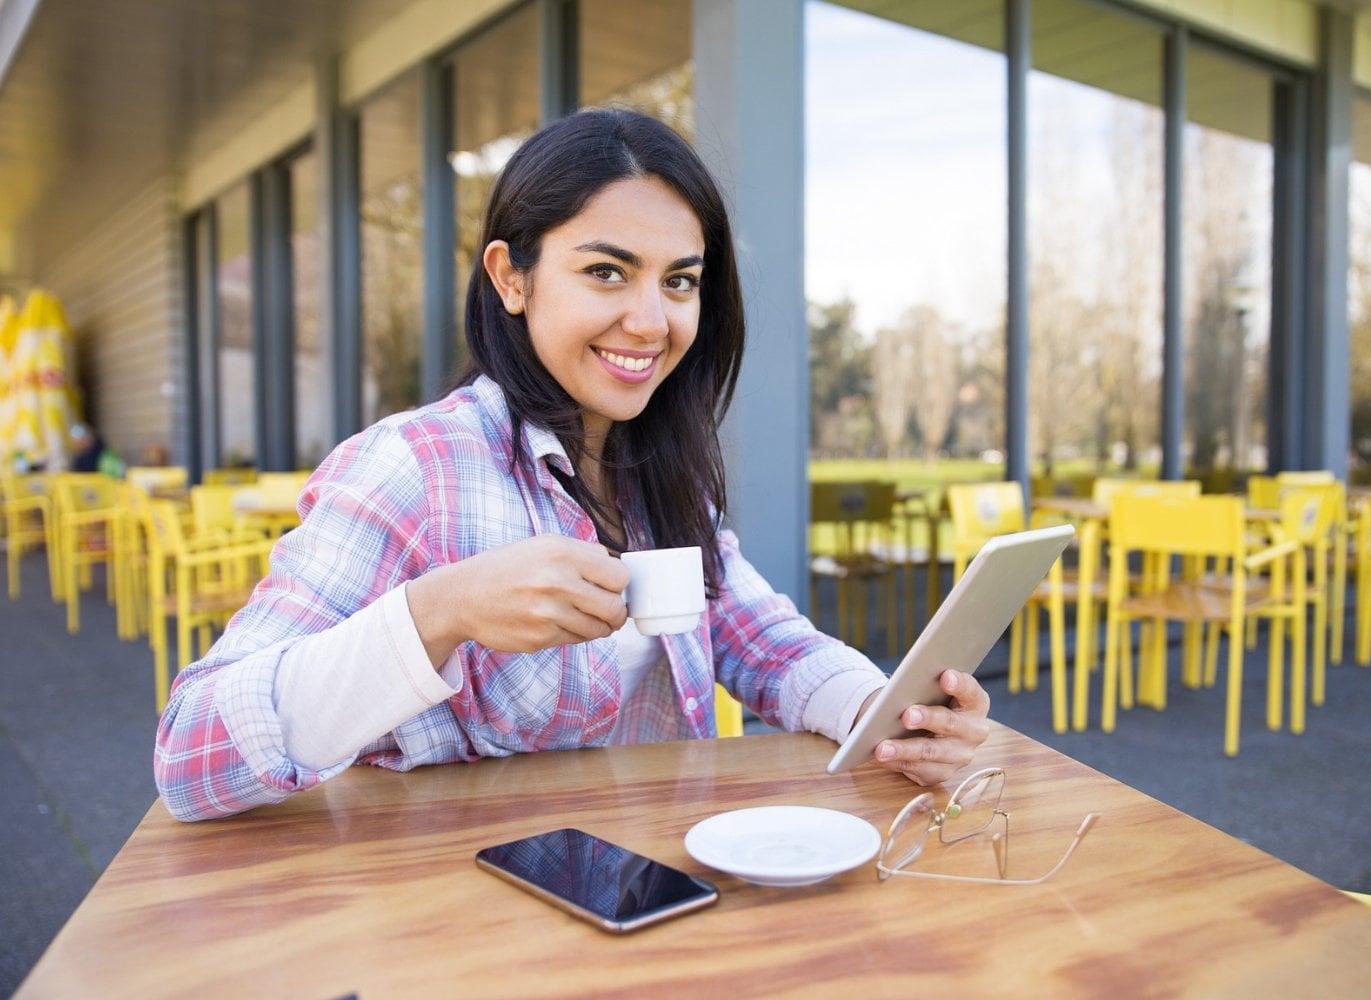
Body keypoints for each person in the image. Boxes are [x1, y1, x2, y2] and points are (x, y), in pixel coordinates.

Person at [154, 108, 990, 822]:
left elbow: (761, 641)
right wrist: (440, 611)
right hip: (466, 918)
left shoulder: (660, 472)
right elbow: (191, 756)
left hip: (651, 889)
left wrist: (889, 716)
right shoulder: (418, 468)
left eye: (680, 282)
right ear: (511, 278)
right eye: (605, 272)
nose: (651, 320)